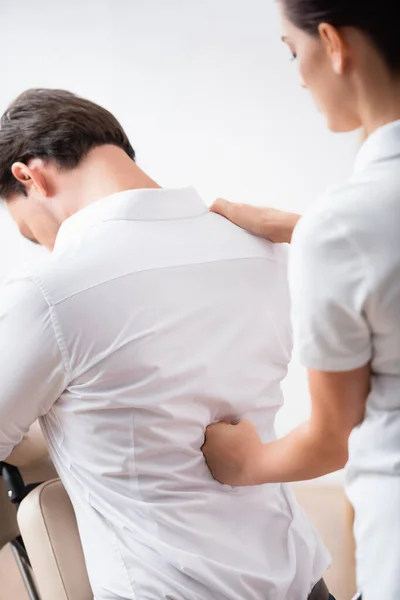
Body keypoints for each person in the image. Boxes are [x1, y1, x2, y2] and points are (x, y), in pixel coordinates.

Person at [0, 88, 333, 600]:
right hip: (304, 583)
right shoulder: (264, 246)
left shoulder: (51, 291)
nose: (44, 244)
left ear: (30, 176)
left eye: (29, 231)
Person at [202, 1, 400, 599]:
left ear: (334, 44)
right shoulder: (344, 227)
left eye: (294, 50)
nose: (298, 75)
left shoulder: (344, 227)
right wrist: (303, 227)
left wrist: (244, 465)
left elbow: (331, 435)